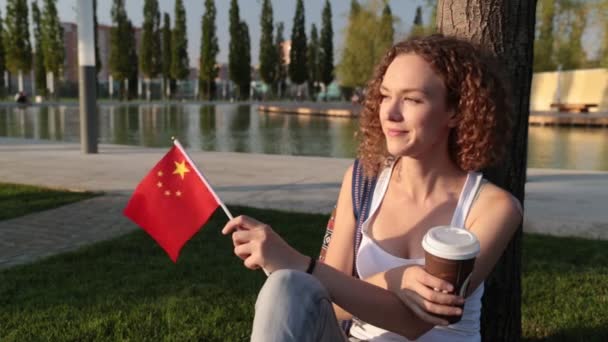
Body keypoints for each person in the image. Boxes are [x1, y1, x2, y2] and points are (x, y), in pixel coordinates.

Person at [222, 34, 523, 342]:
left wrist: (298, 262)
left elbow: (416, 323)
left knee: (295, 274)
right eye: (384, 95)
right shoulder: (361, 180)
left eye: (412, 99)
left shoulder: (492, 208)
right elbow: (332, 304)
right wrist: (397, 279)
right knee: (286, 285)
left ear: (456, 111)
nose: (390, 113)